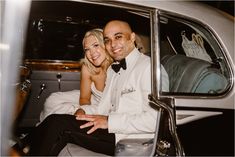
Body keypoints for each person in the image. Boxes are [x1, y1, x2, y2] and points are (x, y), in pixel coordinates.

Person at [13, 20, 169, 156]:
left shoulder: (149, 68)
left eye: (118, 37)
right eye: (107, 40)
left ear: (132, 38)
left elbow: (156, 120)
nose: (112, 44)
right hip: (114, 129)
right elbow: (104, 107)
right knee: (56, 120)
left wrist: (109, 121)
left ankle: (18, 150)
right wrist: (84, 112)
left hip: (131, 137)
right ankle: (18, 149)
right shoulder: (115, 69)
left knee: (60, 126)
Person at [38, 28, 113, 123]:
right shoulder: (87, 67)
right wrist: (84, 109)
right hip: (92, 99)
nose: (92, 52)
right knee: (52, 99)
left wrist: (85, 113)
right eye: (87, 49)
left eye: (96, 45)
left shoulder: (117, 68)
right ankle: (43, 125)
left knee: (65, 110)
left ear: (105, 44)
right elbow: (84, 98)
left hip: (106, 106)